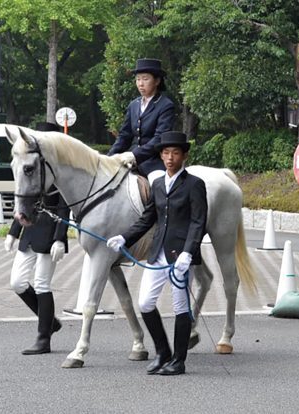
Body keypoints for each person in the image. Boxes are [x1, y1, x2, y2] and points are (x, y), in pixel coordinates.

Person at [107, 131, 207, 376]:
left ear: (184, 155)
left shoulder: (195, 184)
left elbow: (198, 222)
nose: (170, 158)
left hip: (181, 257)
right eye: (165, 153)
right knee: (145, 303)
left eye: (175, 153)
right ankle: (162, 351)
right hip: (158, 252)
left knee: (180, 306)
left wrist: (188, 253)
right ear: (161, 156)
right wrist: (125, 237)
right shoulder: (158, 183)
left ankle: (178, 360)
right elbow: (148, 217)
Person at [4, 186, 70, 355]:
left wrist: (60, 239)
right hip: (29, 235)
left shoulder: (56, 172)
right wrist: (13, 233)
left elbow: (64, 209)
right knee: (17, 283)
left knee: (41, 284)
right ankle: (50, 323)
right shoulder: (31, 176)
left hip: (49, 237)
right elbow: (23, 206)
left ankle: (43, 339)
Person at [108, 58, 175, 184]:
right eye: (138, 79)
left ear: (157, 81)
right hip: (129, 160)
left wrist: (135, 155)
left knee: (160, 186)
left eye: (145, 79)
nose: (140, 83)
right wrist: (109, 157)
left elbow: (160, 138)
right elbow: (125, 135)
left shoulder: (165, 105)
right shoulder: (134, 104)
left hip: (153, 161)